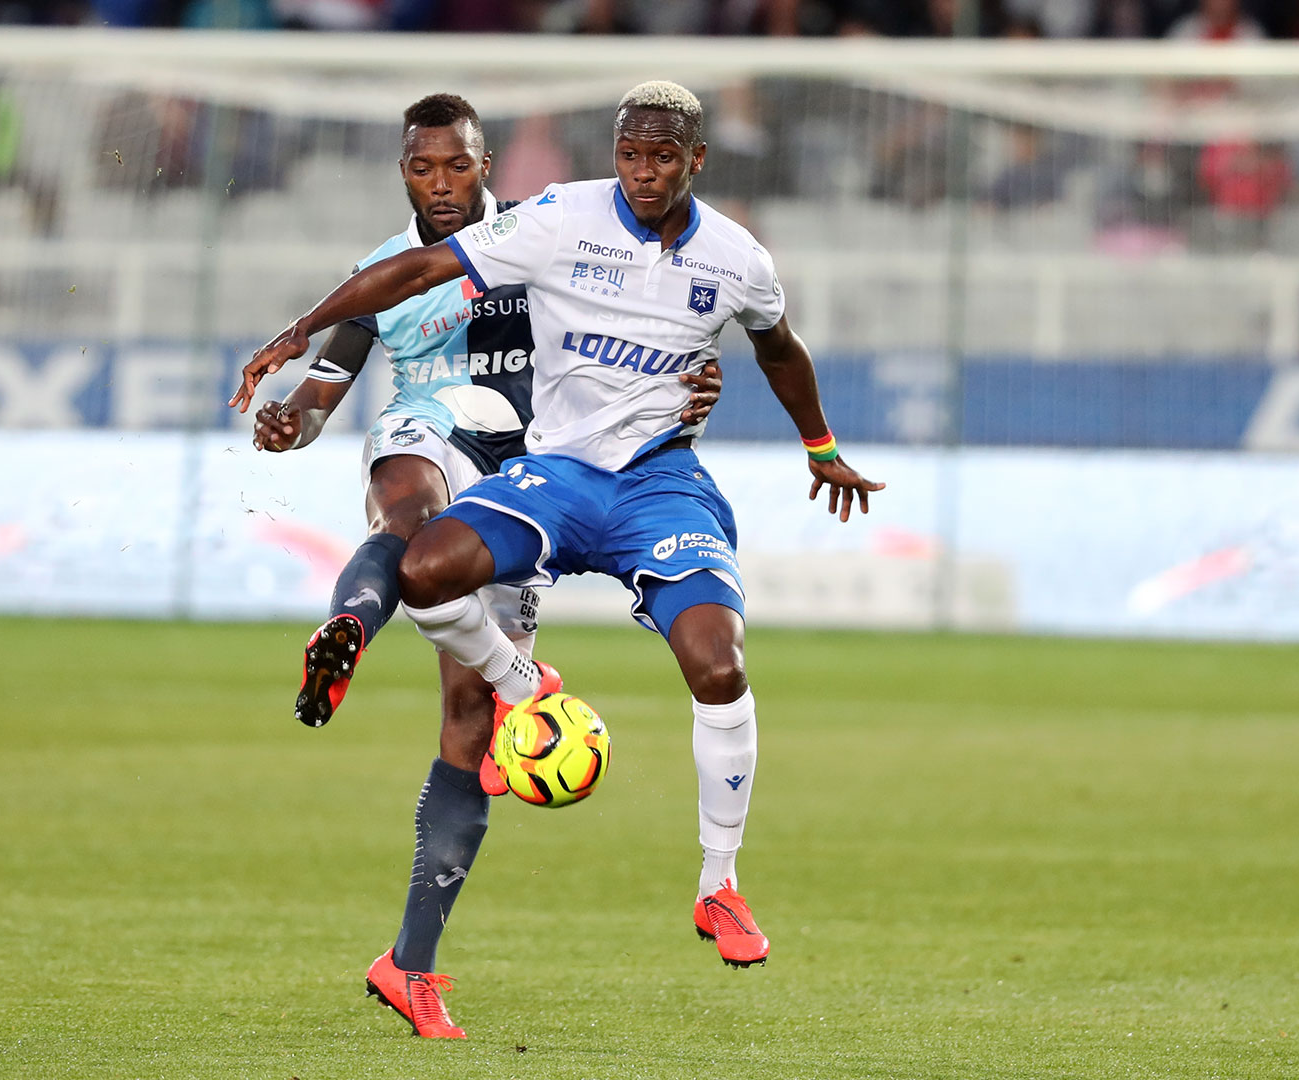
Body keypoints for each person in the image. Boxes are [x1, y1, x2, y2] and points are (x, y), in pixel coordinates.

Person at [233, 80, 883, 1035]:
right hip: (531, 471)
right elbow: (397, 292)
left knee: (699, 665)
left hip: (633, 478)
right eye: (423, 167)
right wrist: (294, 351)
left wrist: (807, 438)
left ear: (695, 160)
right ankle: (494, 680)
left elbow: (768, 346)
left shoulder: (714, 255)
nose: (645, 173)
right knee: (416, 547)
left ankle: (708, 885)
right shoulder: (538, 226)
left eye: (663, 157)